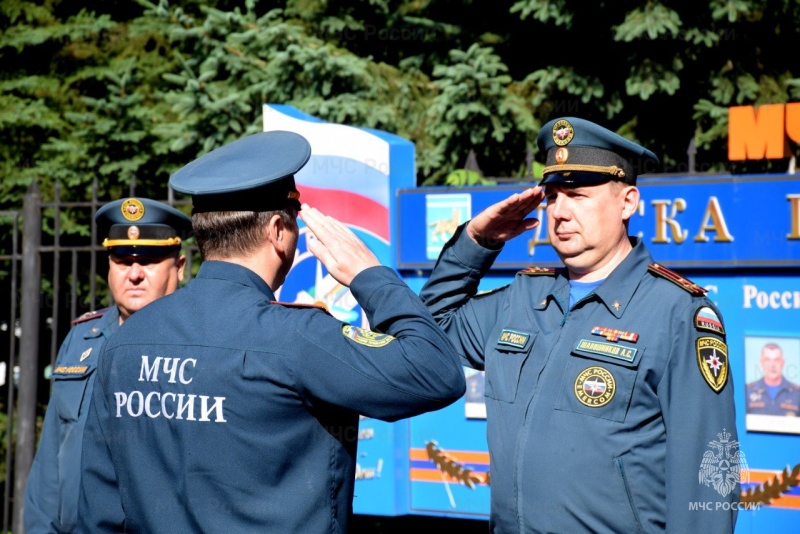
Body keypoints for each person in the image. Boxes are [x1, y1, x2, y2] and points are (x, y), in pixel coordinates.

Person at [77, 130, 466, 532]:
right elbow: (436, 372)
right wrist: (369, 274)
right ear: (278, 230)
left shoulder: (126, 340)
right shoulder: (296, 337)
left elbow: (99, 509)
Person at [420, 117, 740, 533]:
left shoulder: (678, 313)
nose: (560, 211)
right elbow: (431, 332)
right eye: (552, 196)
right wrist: (476, 243)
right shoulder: (523, 299)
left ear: (627, 202)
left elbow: (709, 481)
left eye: (577, 194)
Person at [24, 197, 192, 533]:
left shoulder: (198, 343)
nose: (134, 274)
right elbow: (51, 463)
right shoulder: (81, 339)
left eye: (149, 260)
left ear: (180, 266)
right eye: (122, 260)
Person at [746, 342, 800, 416]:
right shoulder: (747, 392)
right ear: (761, 362)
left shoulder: (797, 393)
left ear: (782, 363)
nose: (772, 365)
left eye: (776, 360)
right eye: (767, 360)